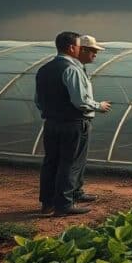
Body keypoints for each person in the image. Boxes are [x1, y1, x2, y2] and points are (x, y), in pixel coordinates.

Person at [34, 32, 111, 216]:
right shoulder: (71, 69)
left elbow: (38, 101)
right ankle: (64, 205)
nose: (79, 49)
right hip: (73, 123)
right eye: (78, 46)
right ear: (71, 48)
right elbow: (80, 102)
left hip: (51, 123)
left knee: (51, 162)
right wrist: (98, 106)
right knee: (69, 163)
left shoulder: (44, 69)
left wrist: (53, 112)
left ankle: (48, 203)